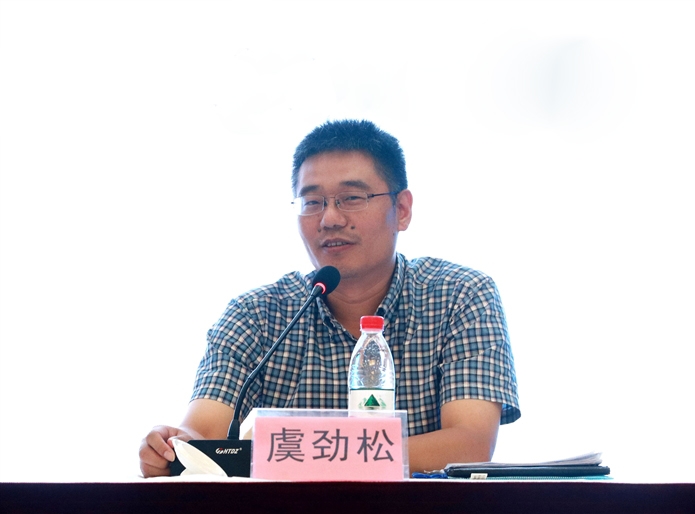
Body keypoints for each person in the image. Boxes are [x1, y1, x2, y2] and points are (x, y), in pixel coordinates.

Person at [139, 119, 520, 477]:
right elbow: (203, 437)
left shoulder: (460, 296)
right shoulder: (255, 315)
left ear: (402, 210)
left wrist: (297, 455)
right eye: (313, 202)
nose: (330, 219)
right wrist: (171, 450)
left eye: (352, 198)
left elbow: (468, 444)